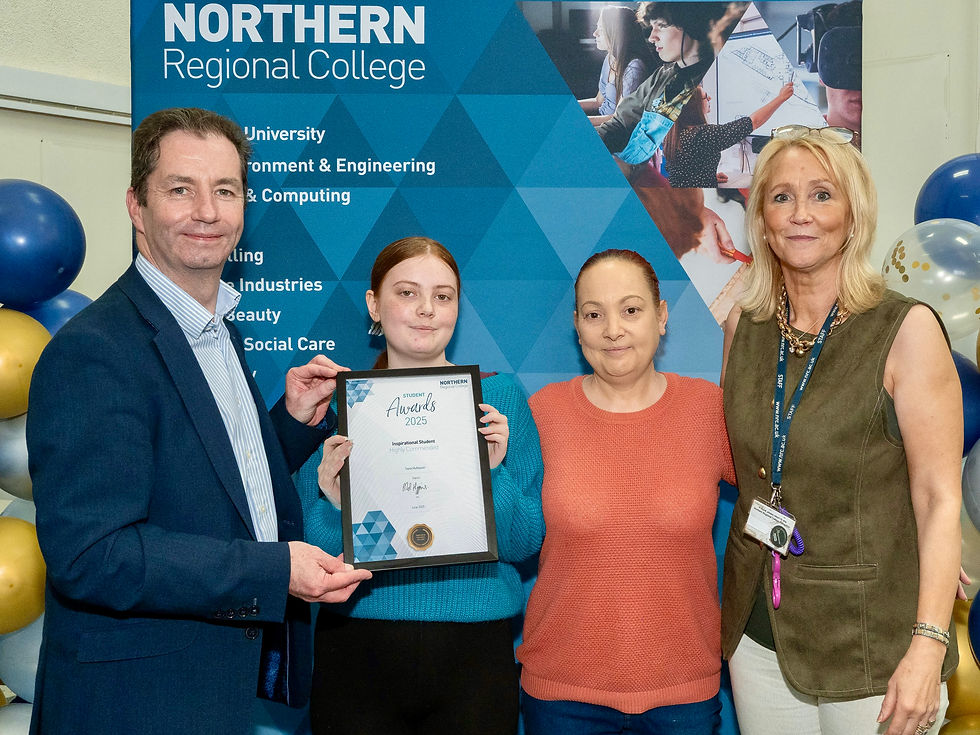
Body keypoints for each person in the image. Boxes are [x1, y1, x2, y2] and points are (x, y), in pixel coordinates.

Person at [26, 107, 372, 735]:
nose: (207, 212)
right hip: (134, 705)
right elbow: (94, 554)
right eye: (181, 189)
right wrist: (275, 571)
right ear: (137, 207)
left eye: (226, 191)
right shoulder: (94, 350)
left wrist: (291, 425)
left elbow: (206, 480)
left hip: (211, 689)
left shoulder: (215, 331)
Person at [720, 126, 961, 735]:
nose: (800, 214)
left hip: (875, 642)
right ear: (762, 220)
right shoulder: (742, 328)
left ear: (854, 215)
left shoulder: (906, 330)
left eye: (822, 195)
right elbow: (749, 462)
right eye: (781, 197)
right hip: (758, 635)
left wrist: (928, 643)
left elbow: (938, 498)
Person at [295, 236, 544, 735]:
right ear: (374, 304)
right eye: (407, 293)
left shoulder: (498, 401)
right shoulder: (339, 406)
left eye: (443, 296)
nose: (427, 309)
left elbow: (524, 543)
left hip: (475, 656)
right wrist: (334, 504)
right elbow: (312, 556)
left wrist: (492, 474)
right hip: (358, 651)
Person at [518, 249, 736, 734]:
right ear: (577, 326)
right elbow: (509, 529)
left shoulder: (709, 410)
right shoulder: (543, 413)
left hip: (683, 695)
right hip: (562, 696)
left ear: (662, 316)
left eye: (631, 310)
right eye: (594, 315)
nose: (613, 330)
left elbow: (793, 484)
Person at [597, 2, 743, 175]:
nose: (652, 37)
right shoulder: (661, 76)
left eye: (661, 26)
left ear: (692, 25)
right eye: (652, 27)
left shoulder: (711, 75)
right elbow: (620, 123)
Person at [663, 81, 795, 188]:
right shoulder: (702, 135)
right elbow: (753, 122)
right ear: (694, 106)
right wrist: (781, 98)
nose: (709, 98)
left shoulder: (674, 133)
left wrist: (707, 177)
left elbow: (680, 169)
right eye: (705, 96)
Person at [578, 6, 651, 127]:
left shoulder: (634, 68)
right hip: (600, 120)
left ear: (616, 33)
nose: (595, 33)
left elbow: (620, 118)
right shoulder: (610, 58)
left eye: (601, 29)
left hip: (612, 129)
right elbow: (598, 101)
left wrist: (577, 120)